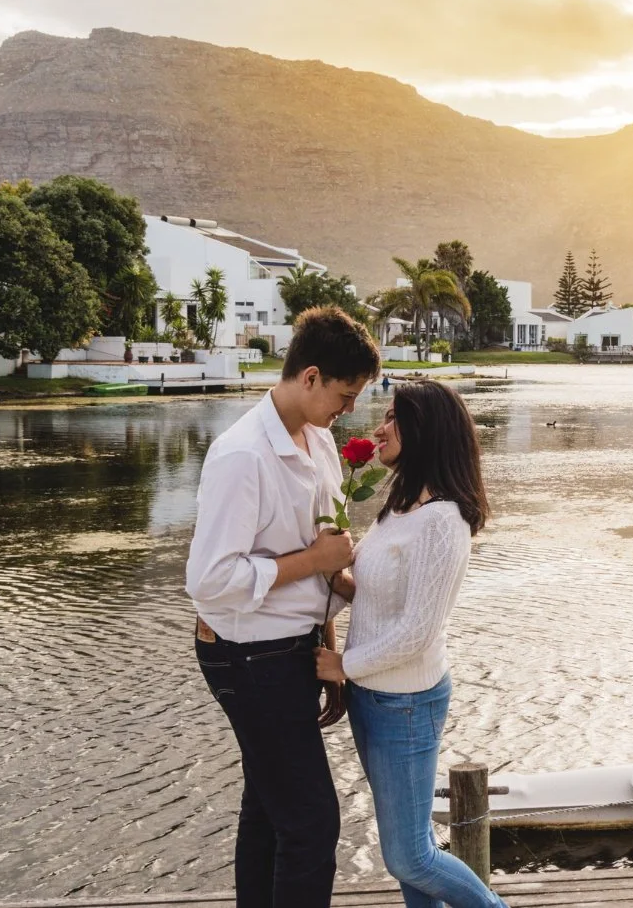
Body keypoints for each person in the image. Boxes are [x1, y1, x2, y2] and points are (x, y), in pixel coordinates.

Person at [187, 306, 381, 908]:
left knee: (269, 810)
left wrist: (329, 653)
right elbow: (209, 581)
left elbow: (324, 563)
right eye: (345, 395)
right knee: (313, 822)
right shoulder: (242, 455)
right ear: (311, 376)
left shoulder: (318, 441)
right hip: (246, 655)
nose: (350, 409)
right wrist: (314, 560)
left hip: (292, 648)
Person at [315, 380, 507, 908]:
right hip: (373, 697)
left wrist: (341, 665)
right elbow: (380, 597)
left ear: (425, 430)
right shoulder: (400, 507)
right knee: (410, 846)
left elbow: (417, 632)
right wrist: (334, 577)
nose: (379, 429)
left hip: (406, 704)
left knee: (410, 857)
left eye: (392, 418)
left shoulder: (443, 521)